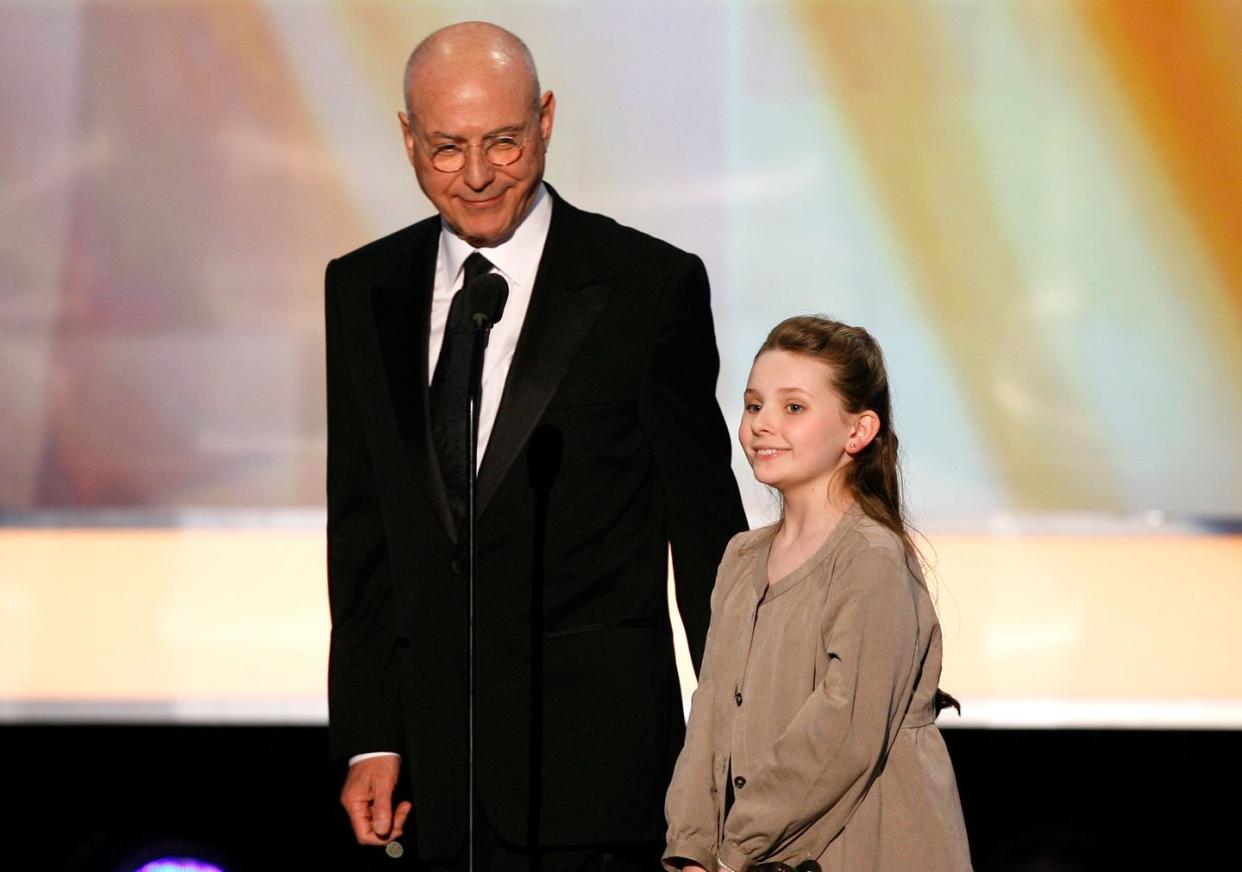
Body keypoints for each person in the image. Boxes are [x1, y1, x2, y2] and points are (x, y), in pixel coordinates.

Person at [325, 20, 747, 870]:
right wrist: (371, 734)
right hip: (435, 786)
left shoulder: (646, 288)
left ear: (546, 119)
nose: (477, 177)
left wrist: (738, 746)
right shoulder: (363, 290)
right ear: (408, 138)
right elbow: (364, 531)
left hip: (601, 775)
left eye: (503, 143)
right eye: (446, 150)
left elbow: (708, 540)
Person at [663, 316, 972, 872]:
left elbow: (844, 731)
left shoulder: (870, 559)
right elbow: (710, 709)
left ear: (858, 431)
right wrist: (690, 848)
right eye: (754, 405)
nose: (762, 424)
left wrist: (736, 849)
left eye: (794, 407)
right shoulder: (741, 558)